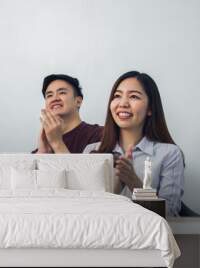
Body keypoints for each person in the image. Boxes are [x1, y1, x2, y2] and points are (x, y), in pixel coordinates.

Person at [84, 71, 184, 216]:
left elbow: (170, 212)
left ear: (150, 108)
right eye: (117, 96)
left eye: (133, 96)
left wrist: (134, 184)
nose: (123, 103)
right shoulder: (91, 150)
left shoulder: (170, 154)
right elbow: (82, 208)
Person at [34, 74, 103, 154]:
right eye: (49, 95)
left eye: (62, 92)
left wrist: (57, 143)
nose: (55, 98)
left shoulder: (99, 135)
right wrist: (42, 152)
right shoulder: (40, 150)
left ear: (78, 101)